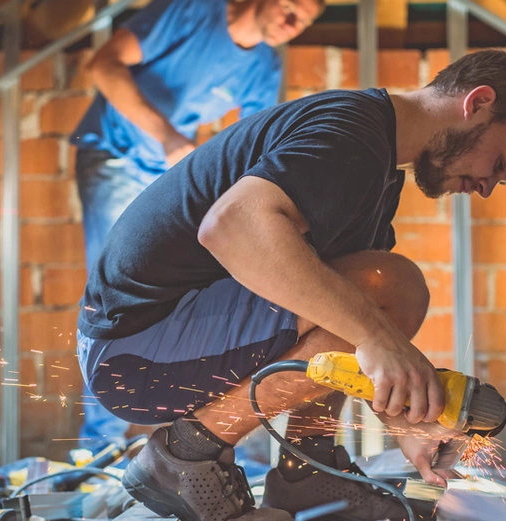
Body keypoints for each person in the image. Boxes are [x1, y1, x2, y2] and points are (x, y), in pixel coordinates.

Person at [77, 49, 506, 521]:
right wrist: (381, 340)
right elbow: (231, 226)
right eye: (502, 163)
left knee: (371, 294)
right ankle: (185, 455)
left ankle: (306, 471)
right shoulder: (351, 133)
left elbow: (344, 325)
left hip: (151, 344)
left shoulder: (376, 166)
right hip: (132, 350)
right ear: (478, 103)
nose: (488, 187)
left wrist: (409, 424)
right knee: (394, 288)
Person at [70, 0, 324, 450]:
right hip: (116, 154)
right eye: (290, 8)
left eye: (304, 21)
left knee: (185, 296)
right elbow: (103, 65)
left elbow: (255, 144)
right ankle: (97, 445)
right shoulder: (193, 12)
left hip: (164, 175)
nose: (292, 24)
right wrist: (167, 136)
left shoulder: (264, 66)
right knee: (110, 304)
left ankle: (190, 444)